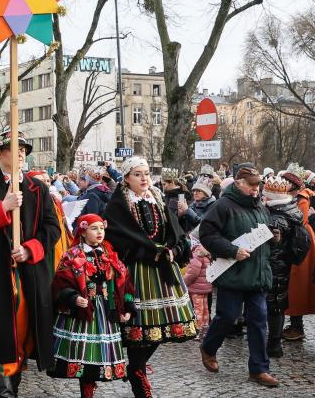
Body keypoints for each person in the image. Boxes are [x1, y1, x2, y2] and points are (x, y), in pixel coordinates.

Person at [0, 130, 61, 398]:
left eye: (23, 149)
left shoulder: (38, 187)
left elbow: (52, 228)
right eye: (14, 148)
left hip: (29, 272)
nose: (20, 153)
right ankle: (2, 387)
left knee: (23, 331)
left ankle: (12, 383)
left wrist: (30, 250)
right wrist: (3, 207)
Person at [102, 157, 197, 398]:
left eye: (146, 173)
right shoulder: (119, 206)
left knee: (160, 329)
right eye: (137, 174)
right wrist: (145, 253)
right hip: (136, 272)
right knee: (138, 329)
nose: (144, 178)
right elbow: (115, 240)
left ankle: (136, 369)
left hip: (163, 271)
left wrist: (174, 251)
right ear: (126, 178)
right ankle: (138, 375)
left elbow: (175, 234)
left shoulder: (157, 199)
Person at [199, 166, 280, 388]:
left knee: (258, 322)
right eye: (251, 185)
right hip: (233, 273)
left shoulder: (260, 206)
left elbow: (263, 237)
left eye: (257, 185)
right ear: (238, 183)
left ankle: (259, 369)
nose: (256, 189)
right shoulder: (222, 205)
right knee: (227, 316)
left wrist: (274, 237)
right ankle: (208, 348)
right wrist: (231, 250)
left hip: (258, 275)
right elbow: (206, 234)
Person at [51, 214, 134, 398]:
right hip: (83, 311)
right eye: (94, 228)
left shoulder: (109, 255)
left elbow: (124, 281)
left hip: (105, 310)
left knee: (98, 355)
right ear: (82, 232)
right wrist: (72, 298)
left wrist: (126, 307)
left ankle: (89, 389)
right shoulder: (72, 255)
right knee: (83, 355)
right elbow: (60, 283)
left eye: (102, 228)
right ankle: (86, 391)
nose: (99, 232)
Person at [262, 174, 310, 358]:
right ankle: (274, 344)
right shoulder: (292, 210)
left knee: (273, 304)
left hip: (273, 265)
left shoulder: (275, 218)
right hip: (284, 264)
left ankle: (273, 345)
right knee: (278, 303)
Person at [282, 164, 315, 341]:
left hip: (302, 245)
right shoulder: (311, 195)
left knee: (297, 287)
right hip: (308, 243)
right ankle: (295, 325)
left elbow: (302, 221)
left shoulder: (303, 198)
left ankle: (297, 327)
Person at [184, 243, 212, 340]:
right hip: (205, 287)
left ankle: (197, 330)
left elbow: (193, 273)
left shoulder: (197, 255)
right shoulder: (207, 255)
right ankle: (205, 329)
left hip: (196, 287)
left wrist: (184, 283)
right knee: (205, 308)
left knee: (198, 309)